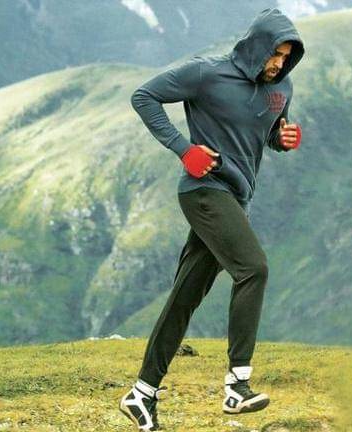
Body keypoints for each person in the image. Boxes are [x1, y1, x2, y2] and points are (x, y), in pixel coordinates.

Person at [119, 8, 305, 431]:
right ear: (257, 46)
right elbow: (144, 97)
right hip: (204, 191)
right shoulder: (207, 73)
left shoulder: (282, 87)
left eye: (286, 56)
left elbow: (267, 129)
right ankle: (238, 385)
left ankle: (141, 393)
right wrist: (184, 149)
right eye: (274, 53)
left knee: (185, 297)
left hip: (236, 198)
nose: (278, 64)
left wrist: (281, 138)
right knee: (253, 269)